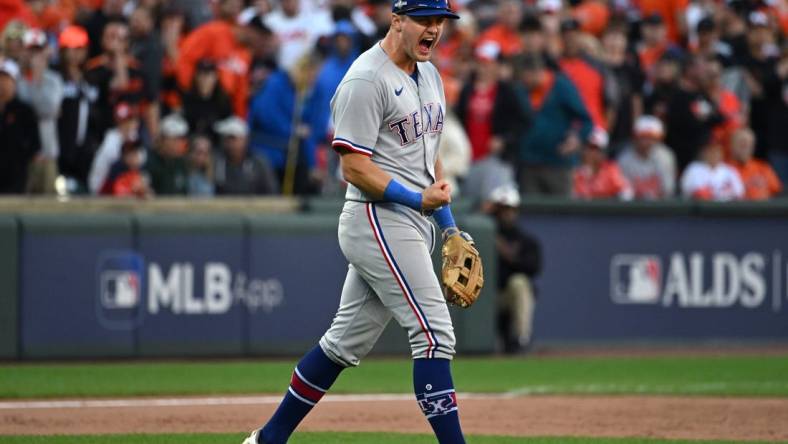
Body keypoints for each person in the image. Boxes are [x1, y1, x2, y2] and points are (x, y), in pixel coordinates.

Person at [243, 0, 471, 442]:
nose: (434, 29)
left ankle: (267, 439)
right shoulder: (366, 78)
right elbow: (354, 167)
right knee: (434, 335)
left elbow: (430, 156)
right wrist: (417, 200)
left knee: (342, 344)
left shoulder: (431, 75)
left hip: (411, 220)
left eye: (440, 21)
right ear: (397, 19)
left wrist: (449, 224)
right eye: (424, 19)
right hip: (377, 217)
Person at [481, 184, 542, 354]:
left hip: (504, 295)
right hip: (481, 295)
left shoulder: (525, 240)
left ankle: (522, 339)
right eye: (502, 209)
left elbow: (533, 268)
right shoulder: (481, 233)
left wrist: (510, 256)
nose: (508, 213)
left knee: (520, 283)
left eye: (511, 209)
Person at [0, 57, 40, 194]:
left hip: (17, 176)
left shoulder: (24, 111)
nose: (2, 83)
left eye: (6, 79)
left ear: (14, 82)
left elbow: (35, 144)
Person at [213, 116, 279, 195]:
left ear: (244, 140)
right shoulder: (217, 161)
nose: (229, 143)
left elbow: (272, 191)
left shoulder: (259, 163)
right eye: (225, 139)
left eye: (232, 138)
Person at [617, 115, 677, 199]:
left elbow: (667, 190)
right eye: (642, 137)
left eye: (651, 138)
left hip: (660, 208)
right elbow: (623, 193)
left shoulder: (665, 157)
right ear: (635, 137)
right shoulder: (624, 159)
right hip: (632, 209)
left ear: (659, 139)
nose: (646, 142)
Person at [572, 129, 633, 200]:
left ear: (603, 152)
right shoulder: (574, 170)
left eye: (596, 149)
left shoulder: (610, 169)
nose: (591, 152)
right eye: (589, 147)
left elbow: (626, 192)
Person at [728, 127, 782, 200]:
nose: (744, 147)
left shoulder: (763, 168)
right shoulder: (723, 168)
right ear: (731, 145)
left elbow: (777, 192)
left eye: (748, 144)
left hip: (759, 209)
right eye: (741, 143)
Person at [145, 113, 190, 195]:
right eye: (176, 139)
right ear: (163, 140)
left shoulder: (181, 163)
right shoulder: (148, 161)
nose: (180, 144)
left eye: (181, 139)